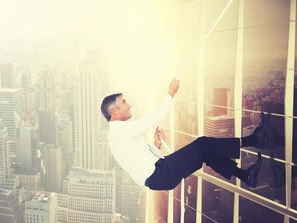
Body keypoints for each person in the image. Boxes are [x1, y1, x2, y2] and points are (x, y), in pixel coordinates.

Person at [101, 79, 266, 190]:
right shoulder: (120, 131)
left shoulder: (118, 134)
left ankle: (246, 175)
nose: (129, 105)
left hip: (158, 175)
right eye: (124, 102)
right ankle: (254, 139)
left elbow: (137, 160)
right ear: (114, 111)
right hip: (160, 174)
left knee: (206, 153)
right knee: (203, 144)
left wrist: (156, 145)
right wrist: (171, 92)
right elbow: (156, 117)